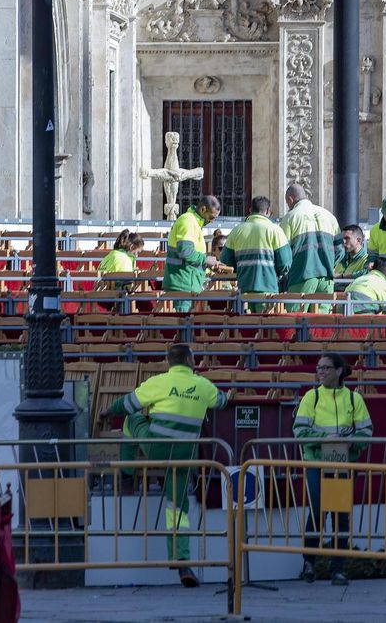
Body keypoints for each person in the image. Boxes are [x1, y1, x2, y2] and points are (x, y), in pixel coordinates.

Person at [107, 344, 228, 587]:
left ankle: (128, 475)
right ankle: (182, 561)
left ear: (168, 361)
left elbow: (127, 404)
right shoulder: (203, 385)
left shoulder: (159, 382)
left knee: (131, 420)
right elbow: (222, 402)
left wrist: (108, 413)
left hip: (156, 448)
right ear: (191, 360)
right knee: (178, 509)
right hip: (184, 454)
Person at [293, 352, 372, 586]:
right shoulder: (311, 397)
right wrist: (328, 439)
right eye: (319, 368)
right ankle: (309, 563)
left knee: (339, 516)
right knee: (318, 512)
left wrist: (350, 444)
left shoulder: (354, 398)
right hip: (317, 463)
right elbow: (300, 431)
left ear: (339, 371)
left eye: (326, 368)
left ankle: (338, 569)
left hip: (342, 464)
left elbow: (366, 432)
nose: (321, 372)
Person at [220, 197, 293, 313]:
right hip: (268, 291)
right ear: (268, 211)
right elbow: (285, 263)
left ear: (250, 210)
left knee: (246, 329)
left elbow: (225, 262)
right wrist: (276, 274)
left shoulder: (236, 231)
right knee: (265, 328)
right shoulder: (275, 230)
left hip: (243, 291)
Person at [280, 183, 343, 312]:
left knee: (294, 321)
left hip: (301, 276)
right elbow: (340, 250)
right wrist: (329, 263)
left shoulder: (290, 218)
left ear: (290, 200)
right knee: (321, 325)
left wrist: (285, 273)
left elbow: (283, 253)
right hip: (327, 279)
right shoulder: (329, 216)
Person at [165, 196, 222, 312]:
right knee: (182, 324)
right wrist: (206, 260)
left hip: (186, 283)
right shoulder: (188, 221)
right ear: (203, 210)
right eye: (211, 217)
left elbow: (192, 258)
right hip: (182, 284)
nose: (212, 221)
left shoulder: (192, 222)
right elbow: (186, 252)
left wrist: (208, 266)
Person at [98, 230, 146, 312]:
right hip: (117, 300)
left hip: (100, 296)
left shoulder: (109, 256)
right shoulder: (125, 260)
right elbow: (128, 286)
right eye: (137, 252)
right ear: (131, 247)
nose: (137, 256)